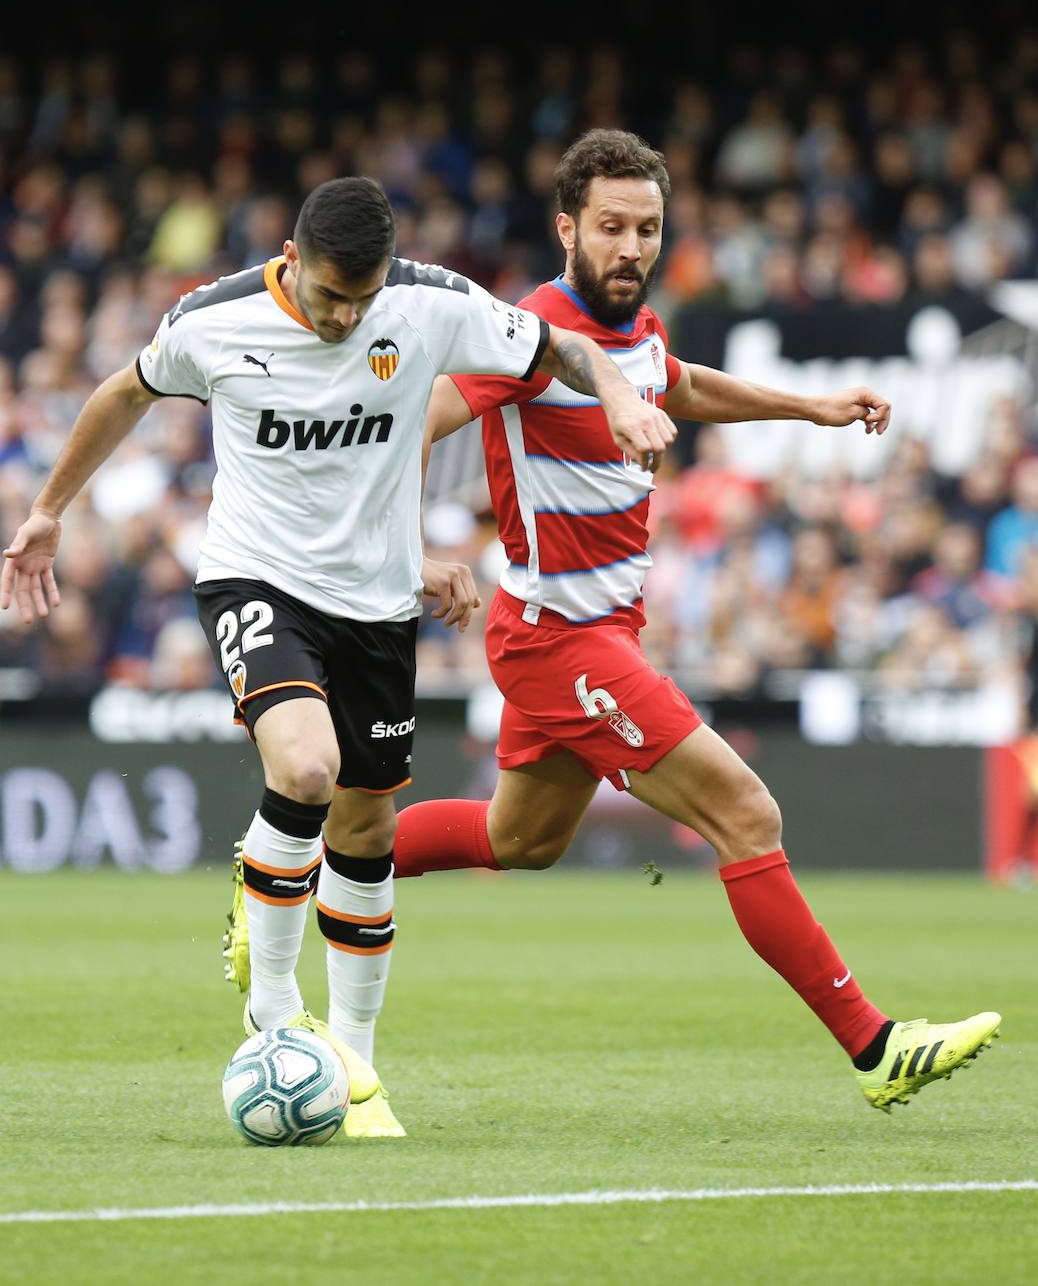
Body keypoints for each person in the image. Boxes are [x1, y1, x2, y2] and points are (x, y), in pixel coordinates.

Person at [0, 175, 675, 1139]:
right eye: (328, 298)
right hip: (256, 580)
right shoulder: (215, 320)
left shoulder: (428, 303)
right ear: (290, 260)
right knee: (307, 768)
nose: (345, 318)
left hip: (375, 603)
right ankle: (274, 1015)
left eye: (360, 301)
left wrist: (611, 387)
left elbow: (554, 345)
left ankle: (355, 1065)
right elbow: (122, 392)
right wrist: (48, 511)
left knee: (366, 832)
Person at [392, 130, 1001, 1112]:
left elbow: (683, 384)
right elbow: (414, 419)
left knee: (522, 839)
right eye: (610, 228)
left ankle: (307, 859)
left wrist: (812, 409)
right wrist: (412, 551)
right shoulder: (533, 334)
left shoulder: (637, 332)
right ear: (566, 229)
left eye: (648, 228)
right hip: (559, 639)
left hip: (596, 634)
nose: (631, 247)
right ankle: (875, 1049)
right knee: (746, 812)